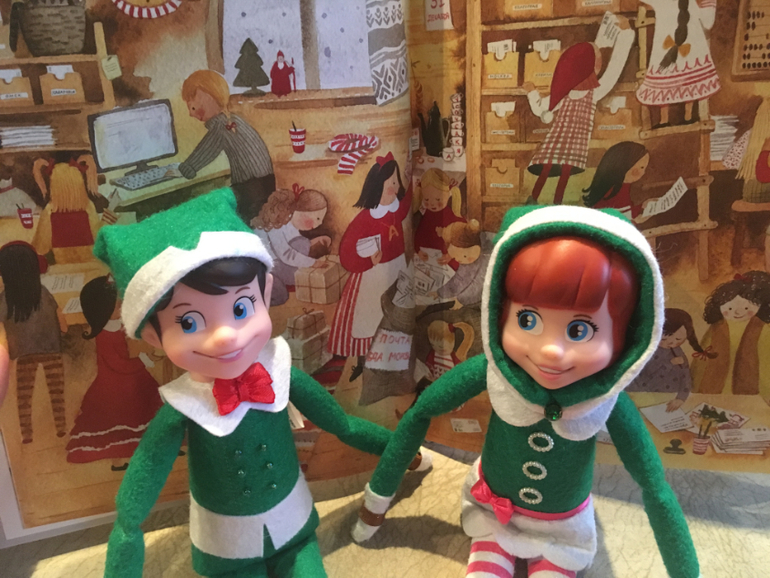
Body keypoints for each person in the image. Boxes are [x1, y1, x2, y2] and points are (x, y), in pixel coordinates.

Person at [353, 205, 700, 578]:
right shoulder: (493, 375)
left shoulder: (604, 403)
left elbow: (653, 485)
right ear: (499, 312)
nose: (550, 350)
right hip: (492, 515)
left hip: (563, 530)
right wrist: (377, 501)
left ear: (625, 338)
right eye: (528, 319)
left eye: (580, 330)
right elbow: (420, 413)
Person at [97, 189, 425, 578]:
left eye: (240, 308)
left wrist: (401, 452)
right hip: (225, 544)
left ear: (265, 294)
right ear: (153, 336)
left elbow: (342, 425)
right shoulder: (184, 406)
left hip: (292, 523)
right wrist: (125, 540)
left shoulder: (278, 371)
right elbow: (139, 493)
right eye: (189, 322)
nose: (225, 337)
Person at [523, 18, 634, 204]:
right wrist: (532, 92)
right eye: (597, 59)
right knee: (549, 167)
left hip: (574, 142)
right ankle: (534, 199)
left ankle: (556, 203)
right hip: (560, 138)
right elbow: (542, 108)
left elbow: (615, 68)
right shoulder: (568, 93)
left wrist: (625, 35)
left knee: (564, 171)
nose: (600, 63)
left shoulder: (592, 91)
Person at [328, 152, 411, 381]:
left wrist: (409, 177)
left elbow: (406, 206)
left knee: (394, 315)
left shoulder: (395, 208)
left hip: (397, 269)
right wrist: (367, 262)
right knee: (369, 317)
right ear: (376, 186)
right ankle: (362, 364)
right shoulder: (364, 219)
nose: (394, 187)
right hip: (372, 275)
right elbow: (346, 254)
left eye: (396, 181)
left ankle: (390, 363)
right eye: (389, 182)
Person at [66, 276, 163, 470]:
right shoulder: (104, 335)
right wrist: (142, 360)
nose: (121, 307)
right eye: (117, 304)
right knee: (119, 418)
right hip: (114, 383)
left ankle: (158, 446)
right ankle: (119, 460)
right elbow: (118, 364)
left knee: (148, 404)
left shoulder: (117, 327)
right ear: (104, 309)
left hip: (128, 378)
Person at [171, 70, 276, 222]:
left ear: (207, 99)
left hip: (252, 193)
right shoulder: (234, 120)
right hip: (266, 186)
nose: (191, 114)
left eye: (192, 108)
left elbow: (205, 151)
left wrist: (186, 169)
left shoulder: (221, 127)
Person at [0, 242, 68, 443]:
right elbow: (62, 322)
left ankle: (27, 434)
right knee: (57, 392)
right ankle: (61, 427)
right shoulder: (43, 292)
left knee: (24, 395)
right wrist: (62, 331)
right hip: (51, 348)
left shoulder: (4, 299)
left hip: (23, 352)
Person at [636, 0, 720, 128]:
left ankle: (665, 119)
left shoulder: (662, 3)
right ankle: (687, 116)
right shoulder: (691, 4)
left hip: (669, 55)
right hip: (686, 57)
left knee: (665, 81)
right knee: (689, 80)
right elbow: (708, 23)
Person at [691, 272, 770, 396]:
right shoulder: (717, 327)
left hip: (754, 387)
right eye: (730, 308)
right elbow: (704, 356)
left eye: (746, 308)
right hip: (718, 386)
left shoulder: (761, 328)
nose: (738, 312)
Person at [252, 186, 331, 306]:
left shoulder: (291, 223)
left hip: (276, 263)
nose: (319, 223)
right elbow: (286, 254)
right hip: (263, 268)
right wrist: (312, 263)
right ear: (302, 211)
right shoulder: (276, 225)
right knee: (281, 296)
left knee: (301, 244)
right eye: (317, 218)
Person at [626, 308, 715, 411]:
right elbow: (646, 376)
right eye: (664, 338)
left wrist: (681, 398)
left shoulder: (678, 352)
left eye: (678, 339)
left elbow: (685, 377)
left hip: (670, 400)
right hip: (644, 398)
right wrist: (669, 364)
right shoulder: (646, 350)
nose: (671, 342)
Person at [31, 155, 103, 264]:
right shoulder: (88, 206)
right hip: (90, 263)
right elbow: (98, 236)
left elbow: (41, 246)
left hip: (62, 264)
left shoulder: (51, 210)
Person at [582, 141, 657, 223]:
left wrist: (642, 206)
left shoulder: (623, 185)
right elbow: (619, 219)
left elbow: (625, 210)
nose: (643, 172)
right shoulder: (612, 190)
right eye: (641, 167)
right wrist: (637, 219)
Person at [414, 168, 466, 269]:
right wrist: (418, 250)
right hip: (429, 262)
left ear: (449, 194)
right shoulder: (427, 214)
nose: (432, 204)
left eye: (438, 199)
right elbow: (419, 235)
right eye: (427, 199)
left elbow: (463, 239)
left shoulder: (453, 217)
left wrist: (451, 255)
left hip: (448, 265)